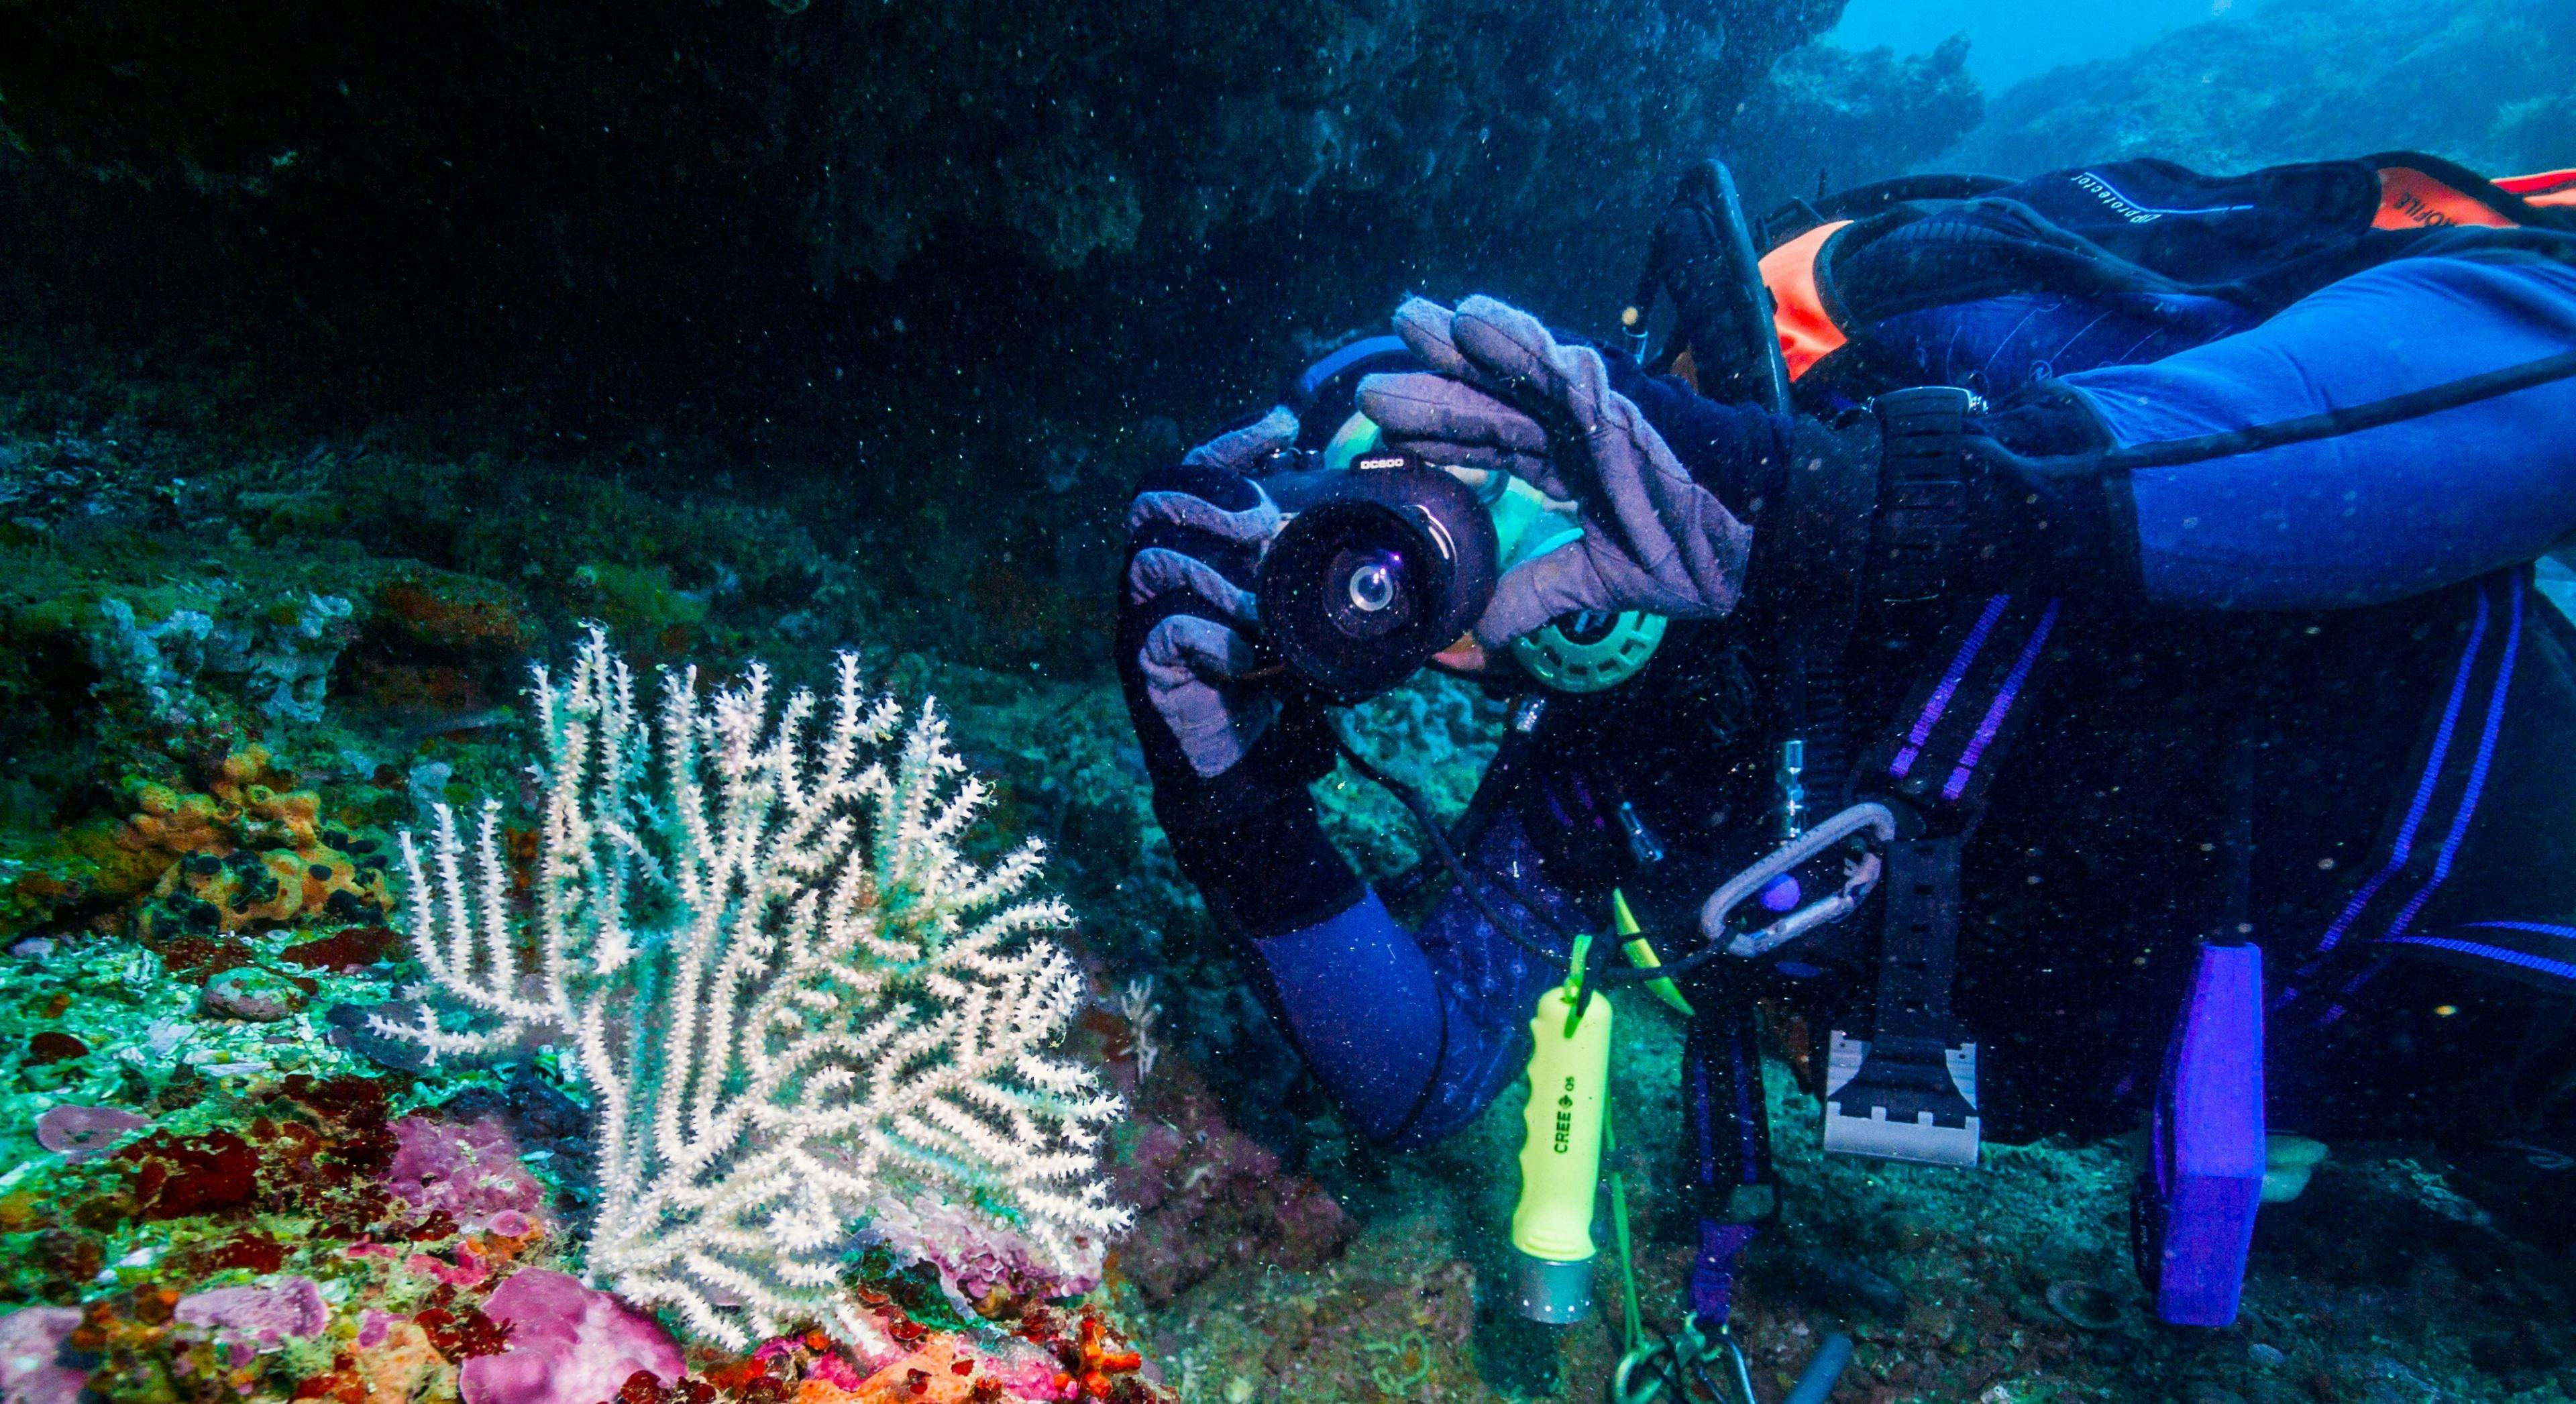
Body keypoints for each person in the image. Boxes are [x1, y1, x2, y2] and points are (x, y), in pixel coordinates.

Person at [1115, 151, 2576, 1329]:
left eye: (1462, 463)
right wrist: (1226, 797)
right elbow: (1420, 1071)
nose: (1451, 565)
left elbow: (2533, 350)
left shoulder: (1916, 339)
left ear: (1546, 387)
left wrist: (1840, 499)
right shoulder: (1598, 775)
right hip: (2436, 1084)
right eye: (1366, 566)